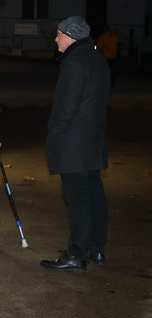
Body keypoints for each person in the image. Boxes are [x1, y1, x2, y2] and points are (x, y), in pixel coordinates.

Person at [41, 16, 110, 273]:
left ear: (70, 36)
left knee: (78, 197)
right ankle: (96, 248)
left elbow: (66, 107)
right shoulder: (97, 59)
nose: (56, 39)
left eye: (59, 34)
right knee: (94, 193)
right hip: (93, 141)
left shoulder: (74, 62)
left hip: (74, 143)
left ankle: (75, 254)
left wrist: (54, 129)